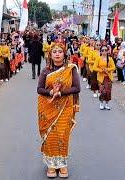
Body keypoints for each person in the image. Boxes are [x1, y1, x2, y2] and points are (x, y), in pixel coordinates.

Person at [37, 43, 80, 178]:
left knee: (62, 135)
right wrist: (51, 92)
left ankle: (62, 164)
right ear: (50, 54)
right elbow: (39, 89)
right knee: (50, 136)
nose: (57, 54)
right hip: (47, 107)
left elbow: (76, 88)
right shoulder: (45, 71)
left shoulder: (71, 69)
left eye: (60, 51)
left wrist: (61, 93)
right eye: (54, 51)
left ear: (64, 54)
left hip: (65, 106)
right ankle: (51, 164)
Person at [93, 45, 116, 110]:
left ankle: (106, 104)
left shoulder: (110, 59)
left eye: (106, 50)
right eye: (102, 50)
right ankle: (101, 103)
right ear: (101, 51)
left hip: (108, 77)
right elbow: (95, 67)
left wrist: (107, 69)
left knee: (108, 92)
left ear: (108, 51)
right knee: (102, 92)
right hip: (101, 78)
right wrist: (101, 70)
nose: (104, 51)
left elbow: (113, 67)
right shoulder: (98, 58)